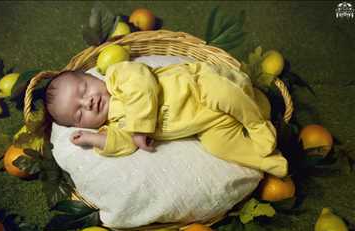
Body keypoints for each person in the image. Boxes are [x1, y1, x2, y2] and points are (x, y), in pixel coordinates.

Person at [45, 61, 288, 177]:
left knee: (223, 95)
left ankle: (256, 123)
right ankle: (266, 161)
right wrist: (94, 139)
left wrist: (140, 129)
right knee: (218, 146)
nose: (87, 102)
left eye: (84, 89)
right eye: (79, 113)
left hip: (200, 86)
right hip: (207, 124)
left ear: (93, 77)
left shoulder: (117, 77)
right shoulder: (115, 125)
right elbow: (125, 144)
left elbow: (142, 85)